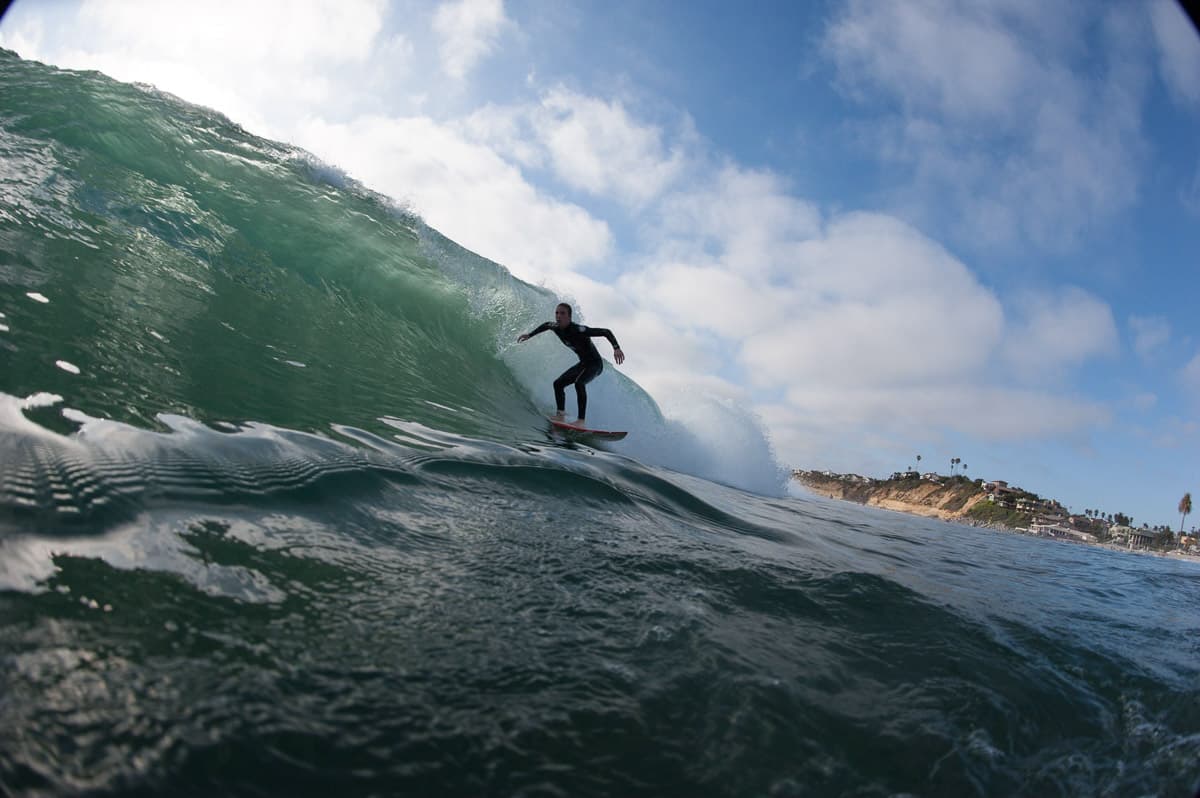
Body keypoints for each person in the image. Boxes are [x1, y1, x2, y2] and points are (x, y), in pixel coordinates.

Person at [517, 302, 624, 424]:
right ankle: (560, 415)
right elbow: (546, 325)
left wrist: (616, 348)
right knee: (558, 384)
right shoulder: (556, 327)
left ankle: (581, 421)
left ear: (569, 316)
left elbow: (606, 332)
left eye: (562, 313)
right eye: (557, 313)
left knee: (579, 383)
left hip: (595, 365)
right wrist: (530, 335)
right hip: (583, 364)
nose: (558, 316)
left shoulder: (578, 330)